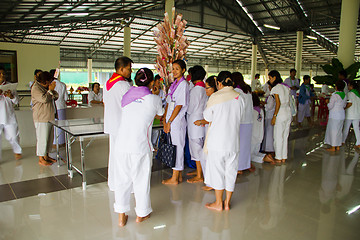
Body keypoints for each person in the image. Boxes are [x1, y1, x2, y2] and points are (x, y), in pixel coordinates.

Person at [113, 68, 164, 227]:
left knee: (122, 181)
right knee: (141, 181)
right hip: (141, 146)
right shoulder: (154, 99)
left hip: (121, 145)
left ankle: (122, 217)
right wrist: (155, 93)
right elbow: (160, 114)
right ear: (151, 82)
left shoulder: (126, 95)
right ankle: (141, 214)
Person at [203, 71, 245, 211]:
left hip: (217, 142)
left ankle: (218, 203)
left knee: (217, 171)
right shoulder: (240, 97)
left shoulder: (215, 96)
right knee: (230, 172)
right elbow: (241, 117)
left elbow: (208, 117)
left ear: (219, 83)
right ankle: (227, 202)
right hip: (233, 141)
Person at [103, 56, 132, 191]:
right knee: (124, 156)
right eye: (129, 69)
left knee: (114, 154)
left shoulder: (107, 83)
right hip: (122, 125)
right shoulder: (123, 85)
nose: (130, 71)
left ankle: (113, 183)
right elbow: (130, 105)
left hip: (111, 124)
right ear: (121, 69)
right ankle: (125, 185)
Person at [162, 59, 190, 185]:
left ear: (183, 70)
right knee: (174, 146)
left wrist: (170, 121)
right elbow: (168, 102)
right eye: (173, 69)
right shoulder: (173, 85)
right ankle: (177, 176)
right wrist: (165, 120)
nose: (174, 71)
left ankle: (174, 178)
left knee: (178, 148)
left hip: (177, 121)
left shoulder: (184, 84)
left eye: (177, 69)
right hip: (170, 120)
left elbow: (179, 106)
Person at [194, 75, 217, 191]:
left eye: (207, 88)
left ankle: (212, 183)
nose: (205, 90)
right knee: (206, 156)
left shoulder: (214, 99)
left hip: (214, 131)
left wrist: (201, 121)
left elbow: (211, 117)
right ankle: (210, 182)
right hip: (211, 129)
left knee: (206, 156)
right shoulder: (212, 98)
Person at [31, 71, 58, 166]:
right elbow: (44, 99)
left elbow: (55, 96)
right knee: (42, 139)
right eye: (49, 82)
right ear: (44, 81)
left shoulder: (46, 87)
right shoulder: (36, 88)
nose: (50, 84)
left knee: (49, 138)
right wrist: (50, 91)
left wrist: (51, 91)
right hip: (41, 118)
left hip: (49, 116)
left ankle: (46, 155)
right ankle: (41, 158)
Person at [186, 65, 207, 183]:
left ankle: (199, 175)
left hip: (194, 121)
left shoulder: (195, 90)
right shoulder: (204, 88)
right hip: (201, 120)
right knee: (199, 146)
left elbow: (190, 108)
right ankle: (200, 170)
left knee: (196, 148)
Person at [0, 66, 22, 161]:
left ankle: (17, 151)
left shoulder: (10, 86)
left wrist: (11, 96)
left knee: (14, 135)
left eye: (3, 74)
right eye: (0, 74)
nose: (2, 76)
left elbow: (16, 101)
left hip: (9, 115)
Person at [269, 70, 292, 163]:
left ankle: (278, 157)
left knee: (278, 136)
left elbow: (278, 103)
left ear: (274, 78)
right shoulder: (285, 87)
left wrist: (274, 116)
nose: (269, 80)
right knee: (285, 136)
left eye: (270, 78)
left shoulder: (276, 88)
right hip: (288, 112)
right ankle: (283, 157)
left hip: (281, 112)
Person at [232, 72, 253, 173]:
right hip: (249, 120)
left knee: (238, 145)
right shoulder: (247, 89)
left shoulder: (237, 91)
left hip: (241, 121)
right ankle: (244, 165)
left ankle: (239, 168)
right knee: (245, 145)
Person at [251, 93, 274, 164]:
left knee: (249, 156)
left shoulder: (251, 111)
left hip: (252, 137)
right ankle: (265, 155)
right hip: (260, 136)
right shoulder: (261, 110)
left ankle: (264, 158)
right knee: (255, 152)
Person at [324, 80, 347, 152]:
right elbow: (344, 105)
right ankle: (338, 146)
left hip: (334, 115)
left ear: (336, 87)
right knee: (339, 131)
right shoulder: (344, 95)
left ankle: (333, 146)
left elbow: (330, 106)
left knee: (333, 130)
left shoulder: (335, 95)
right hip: (341, 114)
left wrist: (327, 103)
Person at [50, 69, 68, 148]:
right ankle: (63, 142)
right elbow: (66, 98)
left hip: (53, 107)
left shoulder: (50, 85)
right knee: (62, 126)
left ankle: (54, 143)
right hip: (61, 107)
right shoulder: (62, 85)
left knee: (54, 126)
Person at [342, 81, 360, 149]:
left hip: (350, 114)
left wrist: (344, 108)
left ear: (351, 86)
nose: (348, 87)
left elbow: (349, 103)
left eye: (349, 85)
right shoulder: (358, 94)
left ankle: (342, 141)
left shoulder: (350, 94)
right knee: (356, 129)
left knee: (346, 128)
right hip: (357, 114)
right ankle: (358, 143)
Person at [261, 86, 276, 154]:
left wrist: (264, 104)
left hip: (270, 115)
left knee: (269, 133)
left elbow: (269, 107)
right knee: (269, 132)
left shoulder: (271, 96)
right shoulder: (274, 96)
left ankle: (268, 148)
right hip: (271, 115)